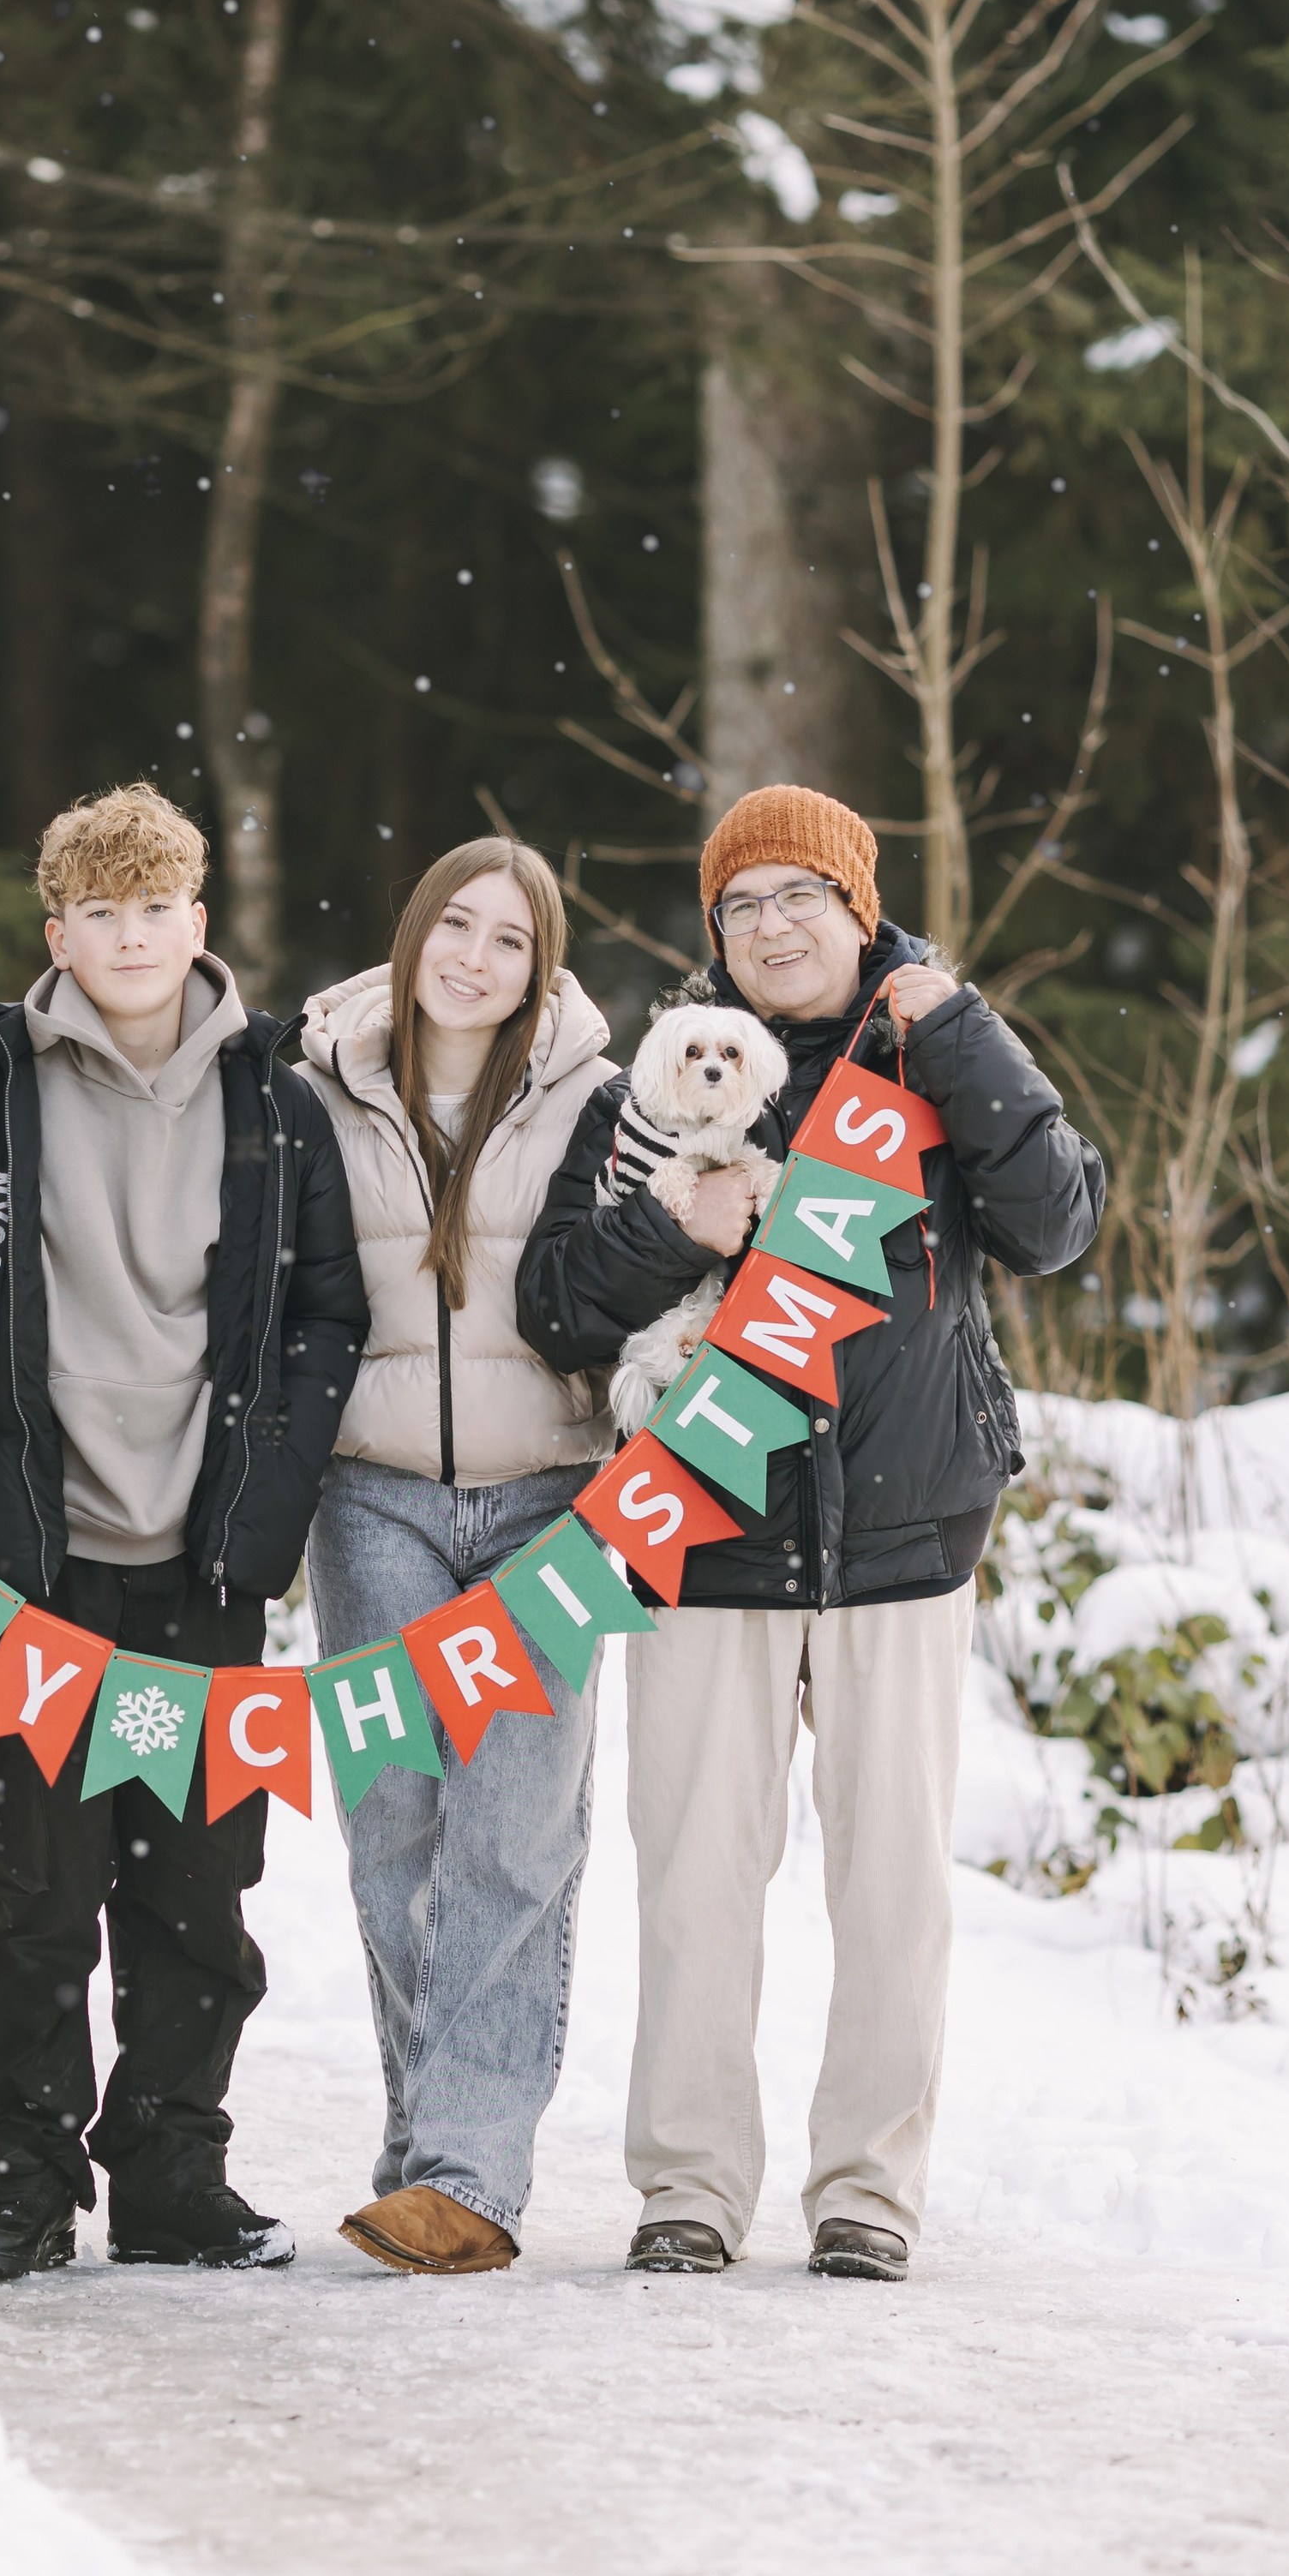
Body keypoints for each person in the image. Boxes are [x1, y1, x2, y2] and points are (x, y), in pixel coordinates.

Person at [518, 783, 1104, 2284]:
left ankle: (868, 2194)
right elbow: (560, 1305)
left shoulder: (933, 1058)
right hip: (707, 1534)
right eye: (743, 906)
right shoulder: (665, 1082)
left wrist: (962, 1029)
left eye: (803, 898)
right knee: (696, 1880)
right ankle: (690, 2190)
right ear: (714, 933)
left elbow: (1057, 1224)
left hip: (906, 1535)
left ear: (860, 909)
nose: (774, 928)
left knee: (893, 1888)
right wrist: (672, 1231)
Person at [0, 782, 365, 2282]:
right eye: (96, 911)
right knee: (35, 1893)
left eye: (154, 906)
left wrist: (268, 1505)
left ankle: (172, 2169)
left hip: (202, 1556)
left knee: (193, 1891)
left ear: (198, 921)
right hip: (31, 1561)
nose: (129, 935)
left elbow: (326, 1315)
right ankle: (28, 2177)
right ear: (57, 931)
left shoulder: (276, 1104)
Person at [300, 840, 616, 2276]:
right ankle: (425, 2141)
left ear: (540, 964)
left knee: (515, 1834)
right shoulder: (318, 1082)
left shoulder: (598, 1101)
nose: (475, 958)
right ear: (412, 931)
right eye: (456, 926)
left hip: (554, 1505)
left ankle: (470, 2174)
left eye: (510, 939)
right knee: (397, 1831)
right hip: (371, 1503)